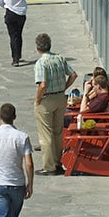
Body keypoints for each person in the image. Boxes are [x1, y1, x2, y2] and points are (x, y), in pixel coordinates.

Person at [33, 33, 77, 175]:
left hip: (47, 100)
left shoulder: (41, 63)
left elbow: (43, 84)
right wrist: (64, 87)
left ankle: (49, 166)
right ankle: (58, 162)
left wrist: (37, 99)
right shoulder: (59, 58)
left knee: (45, 134)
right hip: (60, 98)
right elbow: (73, 74)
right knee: (58, 131)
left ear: (38, 48)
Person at [0, 0, 34, 66]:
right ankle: (18, 55)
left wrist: (6, 6)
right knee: (18, 34)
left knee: (13, 36)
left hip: (10, 13)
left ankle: (15, 58)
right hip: (21, 13)